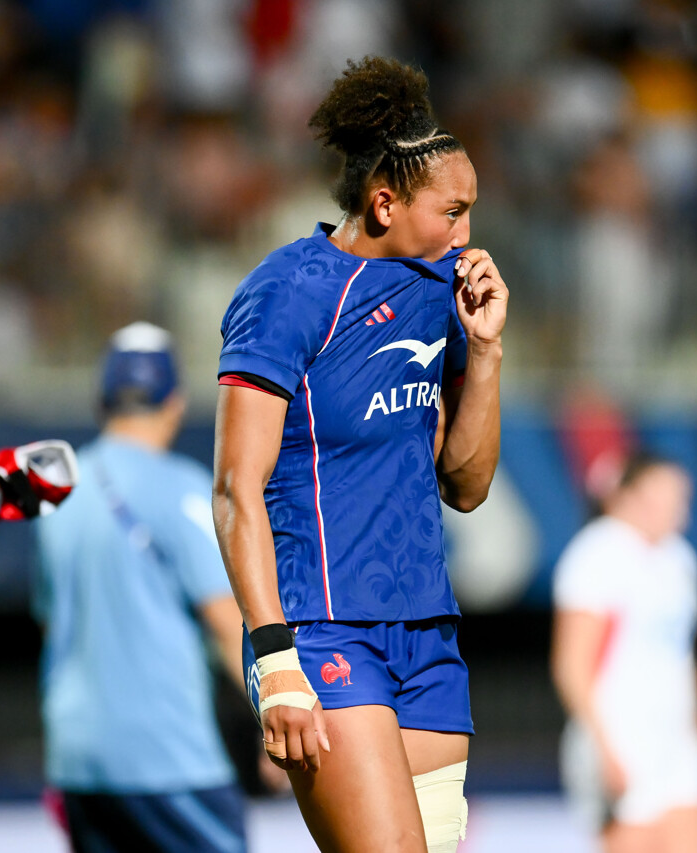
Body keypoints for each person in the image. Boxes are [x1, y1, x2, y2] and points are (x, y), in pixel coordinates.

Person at [213, 57, 508, 853]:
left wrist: (483, 354)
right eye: (454, 210)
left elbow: (468, 486)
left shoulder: (441, 293)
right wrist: (274, 656)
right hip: (323, 630)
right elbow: (236, 488)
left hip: (428, 639)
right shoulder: (289, 292)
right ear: (385, 202)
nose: (467, 233)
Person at [34, 322, 249, 853]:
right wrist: (279, 725)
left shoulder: (57, 496)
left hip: (79, 760)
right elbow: (228, 624)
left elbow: (50, 621)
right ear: (174, 402)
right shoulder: (183, 489)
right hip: (169, 758)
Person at [551, 452, 697, 853]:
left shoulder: (678, 558)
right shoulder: (596, 555)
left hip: (676, 743)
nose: (680, 512)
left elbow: (681, 655)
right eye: (667, 498)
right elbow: (572, 665)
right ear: (628, 497)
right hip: (622, 740)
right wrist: (605, 749)